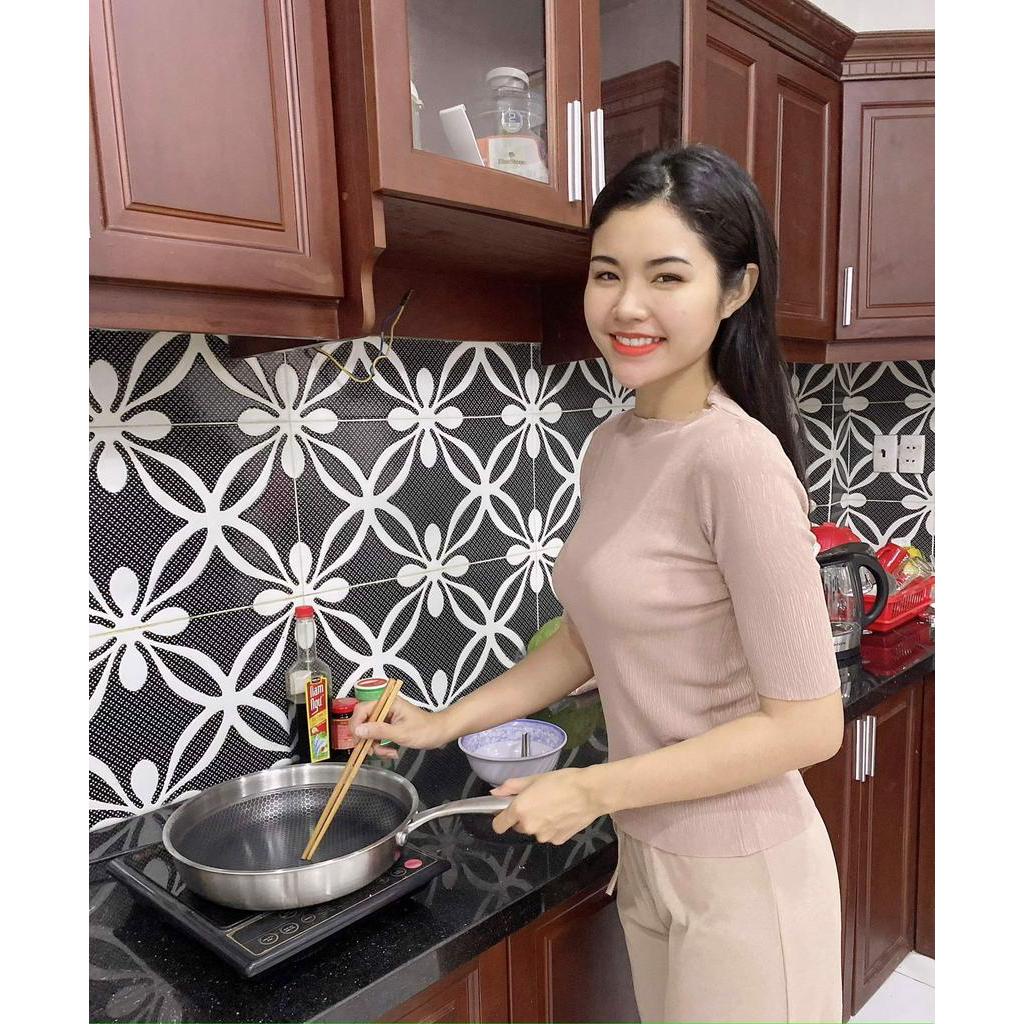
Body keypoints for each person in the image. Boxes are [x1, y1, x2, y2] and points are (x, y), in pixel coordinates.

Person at [351, 143, 844, 1023]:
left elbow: (809, 726)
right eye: (607, 273)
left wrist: (590, 789)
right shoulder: (610, 447)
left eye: (667, 276)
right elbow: (585, 641)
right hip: (649, 851)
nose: (626, 306)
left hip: (745, 875)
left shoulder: (737, 462)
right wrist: (443, 723)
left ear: (735, 291)